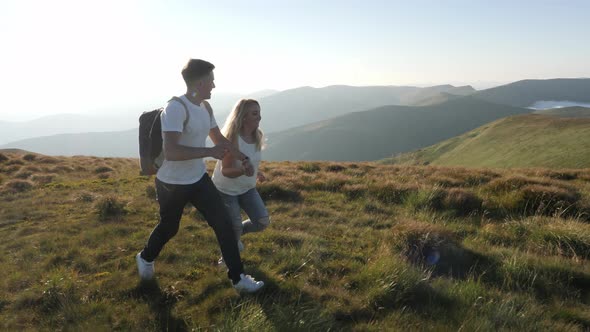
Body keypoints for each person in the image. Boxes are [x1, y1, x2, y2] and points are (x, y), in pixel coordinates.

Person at [135, 59, 264, 293]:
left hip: (198, 180)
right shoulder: (175, 109)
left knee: (224, 224)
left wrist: (241, 157)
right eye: (212, 81)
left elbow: (220, 141)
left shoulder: (205, 108)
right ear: (201, 82)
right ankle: (145, 257)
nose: (214, 86)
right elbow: (172, 151)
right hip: (171, 183)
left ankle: (239, 279)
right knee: (169, 227)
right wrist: (209, 153)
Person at [212, 99, 270, 262]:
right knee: (235, 226)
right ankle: (226, 257)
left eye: (259, 113)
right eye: (254, 113)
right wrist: (243, 171)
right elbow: (226, 171)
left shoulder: (257, 135)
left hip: (247, 188)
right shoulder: (232, 139)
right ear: (243, 117)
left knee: (262, 222)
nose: (259, 117)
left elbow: (252, 161)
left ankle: (233, 236)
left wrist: (257, 173)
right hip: (226, 190)